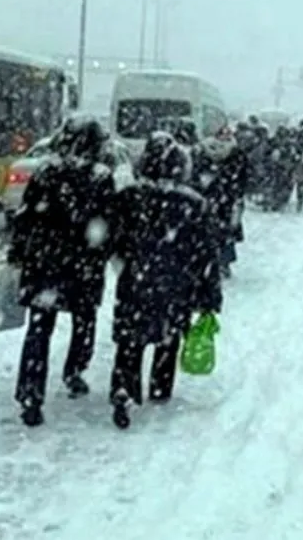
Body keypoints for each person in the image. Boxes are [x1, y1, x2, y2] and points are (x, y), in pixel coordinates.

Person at [107, 132, 222, 429]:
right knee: (167, 337)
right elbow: (206, 253)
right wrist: (209, 296)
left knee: (129, 340)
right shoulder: (193, 203)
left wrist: (124, 259)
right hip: (175, 284)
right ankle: (159, 387)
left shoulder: (129, 197)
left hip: (135, 280)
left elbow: (112, 238)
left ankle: (123, 387)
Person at [8, 118, 116, 428]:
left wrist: (18, 253)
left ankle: (30, 392)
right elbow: (107, 222)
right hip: (82, 265)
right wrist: (102, 250)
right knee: (84, 321)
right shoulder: (99, 177)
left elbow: (25, 216)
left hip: (44, 264)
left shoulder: (44, 173)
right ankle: (74, 370)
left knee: (39, 328)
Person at [191, 125, 249, 278]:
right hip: (226, 198)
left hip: (209, 197)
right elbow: (243, 176)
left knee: (206, 230)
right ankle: (223, 263)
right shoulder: (236, 152)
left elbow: (195, 173)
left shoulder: (203, 150)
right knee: (225, 232)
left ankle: (209, 262)